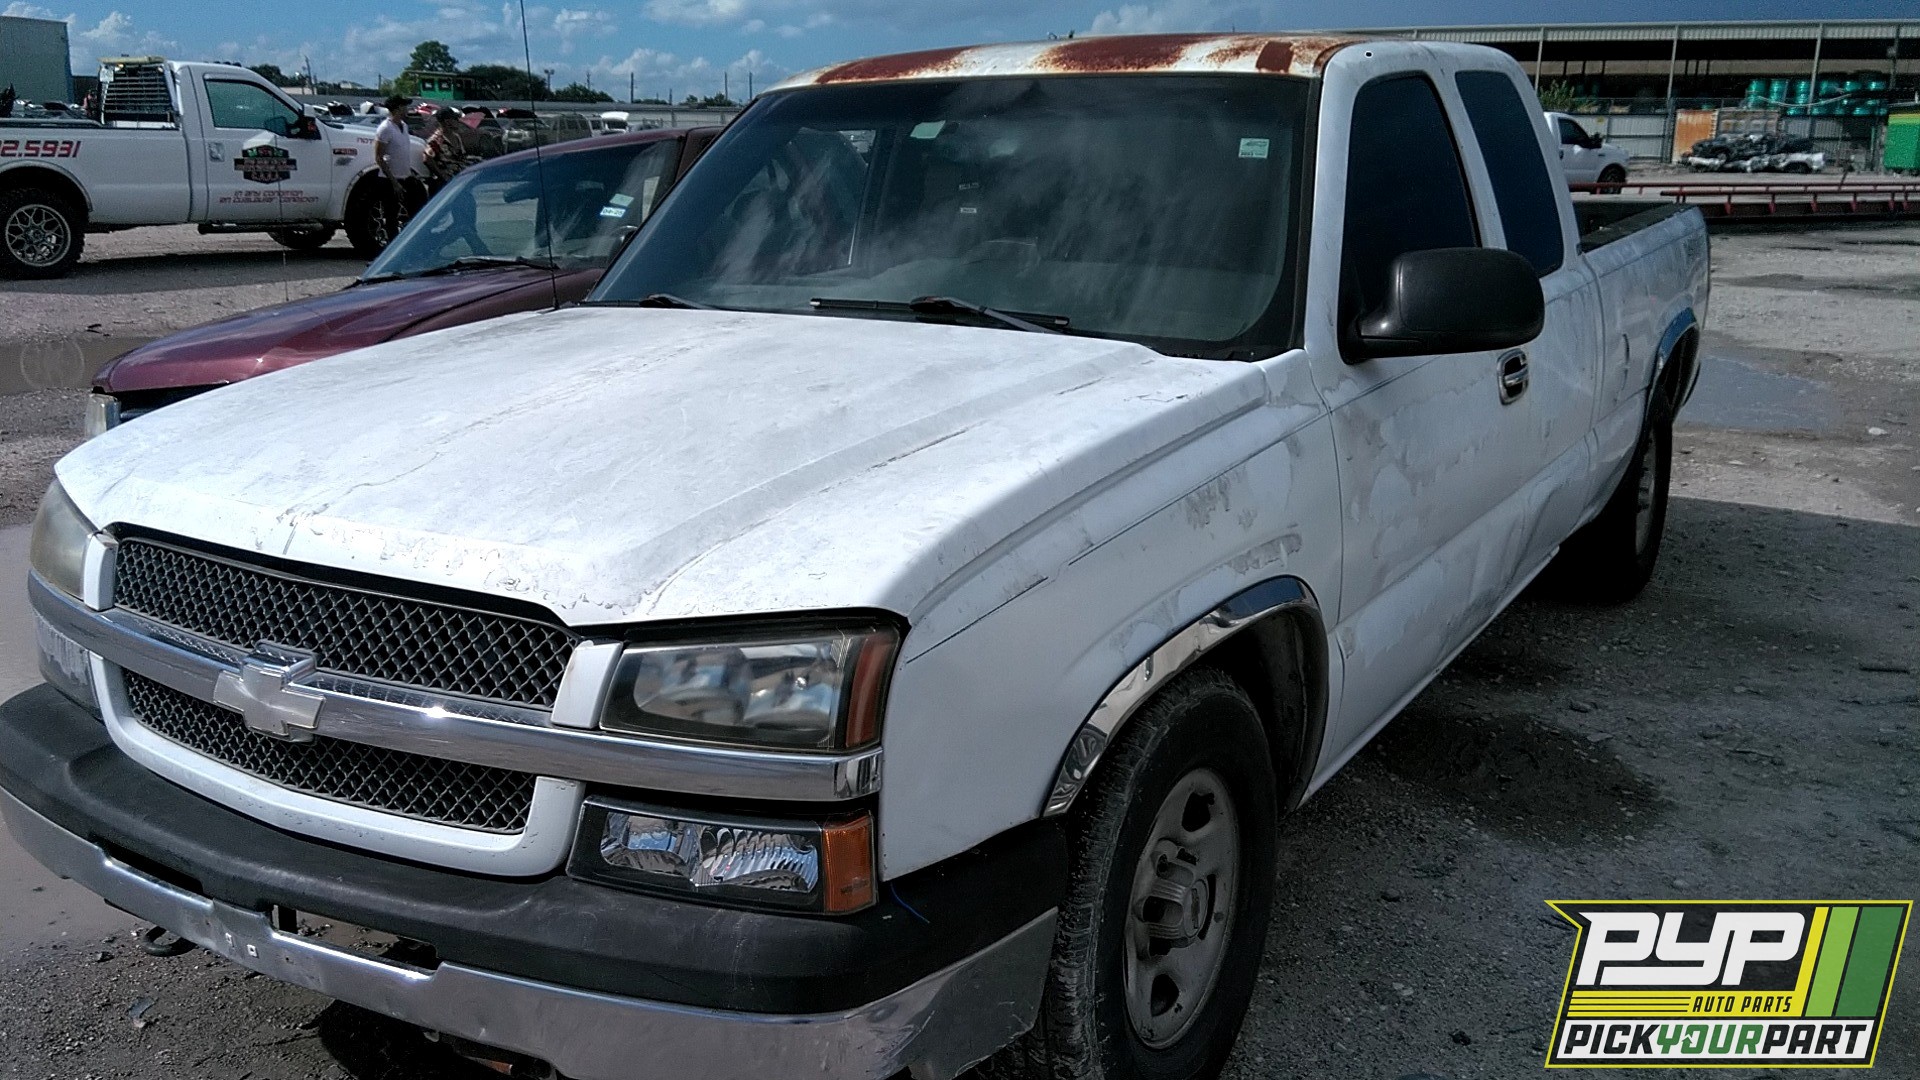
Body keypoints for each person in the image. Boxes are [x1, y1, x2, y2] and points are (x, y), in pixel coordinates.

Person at [373, 94, 420, 236]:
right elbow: (379, 157)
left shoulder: (404, 126)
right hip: (390, 180)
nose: (407, 109)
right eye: (404, 106)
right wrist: (394, 182)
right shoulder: (385, 128)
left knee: (413, 211)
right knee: (391, 215)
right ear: (398, 108)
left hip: (405, 176)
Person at [422, 106, 471, 195]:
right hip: (444, 186)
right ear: (447, 121)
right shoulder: (437, 140)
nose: (458, 121)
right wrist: (443, 175)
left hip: (458, 182)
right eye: (455, 119)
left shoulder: (456, 137)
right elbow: (427, 158)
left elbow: (461, 157)